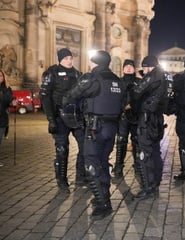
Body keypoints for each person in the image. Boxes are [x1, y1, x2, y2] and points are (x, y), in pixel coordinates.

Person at [63, 50, 126, 220]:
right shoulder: (117, 81)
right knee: (103, 163)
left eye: (91, 61)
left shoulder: (91, 78)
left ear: (96, 62)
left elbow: (69, 96)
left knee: (91, 164)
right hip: (111, 127)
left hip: (94, 128)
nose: (89, 64)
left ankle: (103, 204)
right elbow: (123, 103)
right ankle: (102, 199)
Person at [40, 48, 86, 193]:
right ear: (60, 59)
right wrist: (51, 119)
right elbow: (45, 96)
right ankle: (62, 181)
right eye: (66, 58)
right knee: (62, 149)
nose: (69, 60)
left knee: (85, 147)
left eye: (70, 58)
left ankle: (80, 178)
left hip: (76, 116)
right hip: (59, 116)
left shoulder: (78, 74)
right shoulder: (51, 73)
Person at [131, 55, 168, 200]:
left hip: (147, 119)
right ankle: (156, 181)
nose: (144, 71)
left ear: (148, 66)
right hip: (158, 118)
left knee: (145, 153)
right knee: (155, 151)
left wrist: (133, 106)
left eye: (144, 68)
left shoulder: (153, 75)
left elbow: (136, 92)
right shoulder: (166, 76)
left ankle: (148, 187)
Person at [113, 59, 142, 179]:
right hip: (123, 116)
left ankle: (138, 165)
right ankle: (118, 167)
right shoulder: (118, 82)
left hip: (135, 116)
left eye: (131, 66)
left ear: (134, 68)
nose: (128, 68)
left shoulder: (139, 82)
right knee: (121, 141)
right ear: (123, 68)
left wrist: (134, 106)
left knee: (136, 141)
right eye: (126, 66)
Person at [0, 69, 16, 167]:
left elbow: (10, 98)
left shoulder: (6, 88)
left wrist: (13, 101)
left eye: (1, 76)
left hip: (2, 118)